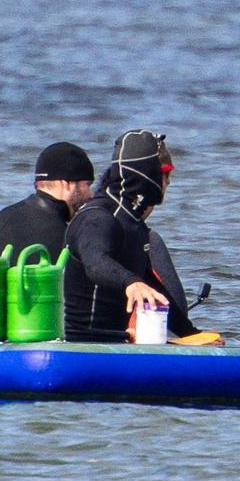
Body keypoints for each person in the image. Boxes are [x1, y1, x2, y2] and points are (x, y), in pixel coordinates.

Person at [63, 129, 214, 344]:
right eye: (166, 173)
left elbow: (153, 289)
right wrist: (131, 282)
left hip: (117, 342)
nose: (169, 182)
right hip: (84, 344)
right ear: (148, 173)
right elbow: (96, 263)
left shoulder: (133, 223)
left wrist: (190, 334)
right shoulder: (98, 217)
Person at [0, 142, 95, 258]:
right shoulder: (64, 238)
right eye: (88, 185)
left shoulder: (4, 216)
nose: (91, 195)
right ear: (66, 184)